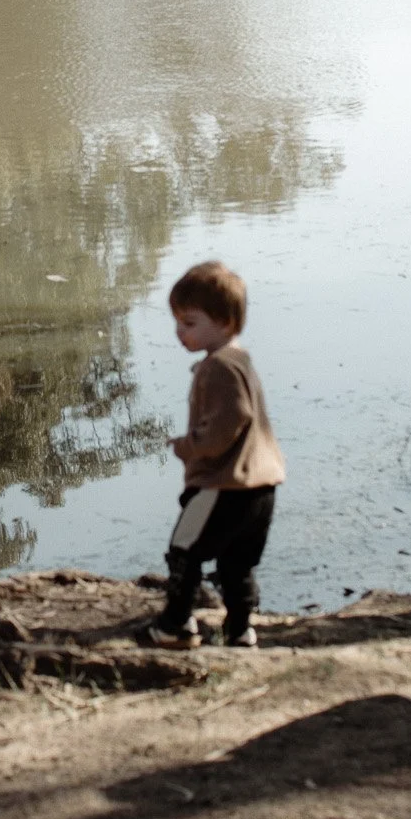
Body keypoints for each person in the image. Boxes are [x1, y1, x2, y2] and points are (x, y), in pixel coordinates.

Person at [146, 261, 286, 650]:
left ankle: (176, 625)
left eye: (190, 323)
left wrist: (189, 445)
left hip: (225, 485)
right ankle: (240, 631)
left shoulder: (217, 366)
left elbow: (231, 420)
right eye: (177, 322)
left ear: (225, 322)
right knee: (238, 564)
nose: (179, 332)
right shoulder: (241, 361)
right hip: (263, 486)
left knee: (183, 550)